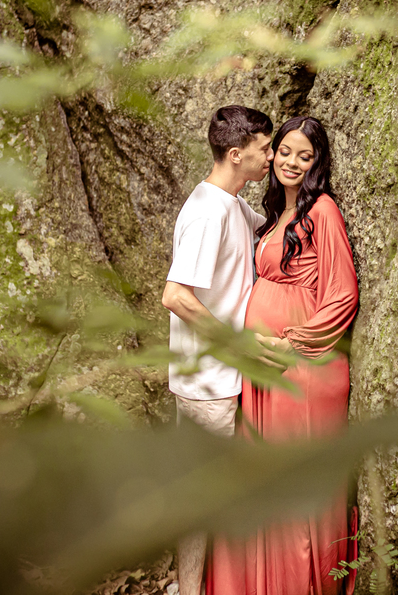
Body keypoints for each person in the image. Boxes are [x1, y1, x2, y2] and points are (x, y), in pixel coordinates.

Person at [209, 115, 360, 595]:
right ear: (271, 155)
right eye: (286, 151)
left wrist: (291, 342)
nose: (292, 162)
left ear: (317, 163)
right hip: (266, 366)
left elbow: (343, 294)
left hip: (301, 366)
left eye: (305, 155)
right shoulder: (275, 216)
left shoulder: (323, 212)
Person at [162, 105, 274, 595]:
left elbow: (269, 224)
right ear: (236, 154)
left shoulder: (232, 203)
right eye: (265, 149)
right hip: (207, 382)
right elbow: (176, 296)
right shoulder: (207, 211)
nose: (270, 157)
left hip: (219, 378)